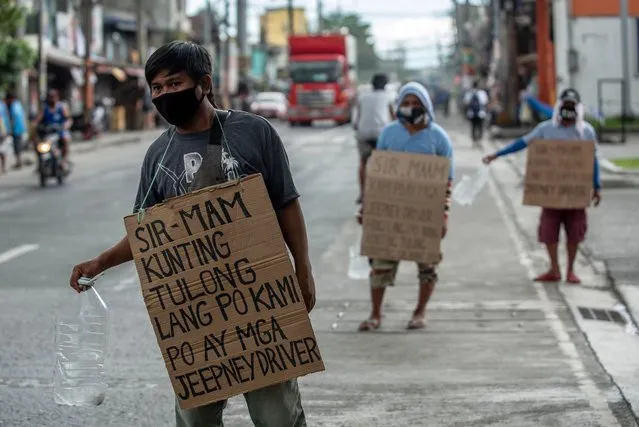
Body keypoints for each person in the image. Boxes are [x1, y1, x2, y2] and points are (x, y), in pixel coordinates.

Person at [68, 41, 315, 427]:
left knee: (277, 417)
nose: (164, 94)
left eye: (173, 83)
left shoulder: (254, 132)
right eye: (156, 88)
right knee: (195, 419)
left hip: (260, 304)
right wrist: (101, 262)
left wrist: (303, 269)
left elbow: (286, 204)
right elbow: (147, 233)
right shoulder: (157, 155)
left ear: (205, 83)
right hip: (196, 312)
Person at [357, 81, 454, 331]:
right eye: (406, 103)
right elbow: (378, 174)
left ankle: (420, 312)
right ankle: (375, 314)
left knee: (427, 266)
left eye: (416, 104)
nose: (411, 108)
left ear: (426, 106)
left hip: (425, 213)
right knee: (380, 265)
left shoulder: (438, 137)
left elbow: (447, 179)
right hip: (390, 212)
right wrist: (367, 208)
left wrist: (443, 213)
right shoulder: (389, 134)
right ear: (398, 106)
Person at [483, 88, 601, 284]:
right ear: (559, 107)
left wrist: (597, 186)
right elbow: (523, 142)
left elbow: (592, 159)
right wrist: (497, 154)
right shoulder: (546, 129)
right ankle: (554, 269)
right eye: (565, 106)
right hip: (551, 193)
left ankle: (571, 270)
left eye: (572, 106)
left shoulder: (586, 131)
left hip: (575, 193)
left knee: (575, 232)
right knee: (549, 230)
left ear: (578, 108)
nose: (568, 110)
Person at [353, 73, 395, 204]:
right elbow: (393, 117)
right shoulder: (389, 96)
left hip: (363, 134)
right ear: (385, 85)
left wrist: (357, 128)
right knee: (385, 164)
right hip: (381, 134)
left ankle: (363, 194)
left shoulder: (363, 96)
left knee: (363, 163)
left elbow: (357, 118)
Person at [35, 89, 73, 168]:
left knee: (65, 140)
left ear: (57, 97)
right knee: (37, 144)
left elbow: (69, 119)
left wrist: (66, 125)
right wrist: (35, 125)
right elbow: (38, 120)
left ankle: (63, 160)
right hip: (48, 132)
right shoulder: (44, 108)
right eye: (50, 97)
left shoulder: (61, 107)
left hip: (60, 131)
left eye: (53, 97)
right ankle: (40, 163)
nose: (52, 99)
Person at [5, 91, 27, 169]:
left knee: (17, 147)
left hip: (16, 129)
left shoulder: (14, 106)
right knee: (17, 146)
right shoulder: (18, 104)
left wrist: (10, 129)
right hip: (20, 129)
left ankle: (19, 162)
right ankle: (19, 162)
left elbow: (14, 118)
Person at [463, 81, 489, 145]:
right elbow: (485, 103)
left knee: (473, 127)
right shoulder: (482, 93)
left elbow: (466, 103)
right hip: (481, 113)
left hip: (471, 113)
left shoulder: (469, 93)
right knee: (480, 127)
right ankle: (479, 140)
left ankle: (474, 141)